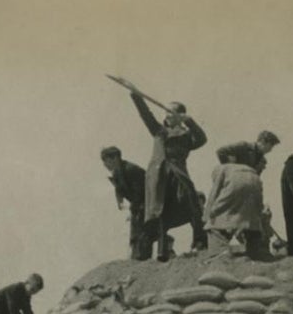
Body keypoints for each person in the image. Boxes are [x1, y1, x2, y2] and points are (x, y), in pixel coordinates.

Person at [128, 90, 208, 260]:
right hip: (159, 177)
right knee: (160, 212)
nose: (167, 115)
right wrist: (136, 95)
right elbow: (145, 115)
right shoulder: (159, 131)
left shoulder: (186, 135)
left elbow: (201, 140)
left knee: (192, 202)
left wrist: (190, 122)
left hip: (178, 173)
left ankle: (200, 242)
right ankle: (161, 252)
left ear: (180, 115)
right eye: (166, 112)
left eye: (171, 112)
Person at [202, 161, 265, 259]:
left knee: (214, 225)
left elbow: (214, 193)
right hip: (255, 180)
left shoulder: (220, 169)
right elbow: (259, 205)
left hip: (234, 185)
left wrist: (208, 216)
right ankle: (256, 250)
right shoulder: (249, 169)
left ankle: (219, 252)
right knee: (252, 222)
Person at [101, 146, 149, 261]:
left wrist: (135, 206)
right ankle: (136, 257)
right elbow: (119, 189)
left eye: (107, 161)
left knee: (142, 234)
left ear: (115, 158)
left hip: (147, 203)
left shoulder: (131, 169)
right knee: (135, 236)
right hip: (137, 207)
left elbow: (140, 191)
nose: (105, 165)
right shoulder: (118, 173)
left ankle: (141, 258)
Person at [216, 130, 280, 169]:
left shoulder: (262, 161)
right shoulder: (243, 146)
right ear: (263, 141)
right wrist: (231, 167)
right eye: (271, 146)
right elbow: (221, 151)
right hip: (232, 184)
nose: (270, 150)